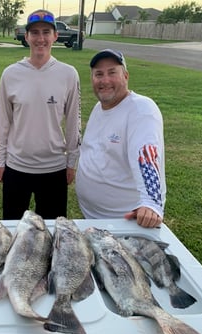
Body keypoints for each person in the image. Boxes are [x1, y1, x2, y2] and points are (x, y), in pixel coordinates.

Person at [0, 9, 81, 220]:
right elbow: (3, 120)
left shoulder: (68, 74)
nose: (40, 38)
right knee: (13, 229)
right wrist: (0, 160)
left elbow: (73, 121)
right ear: (27, 37)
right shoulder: (11, 74)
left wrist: (72, 162)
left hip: (54, 168)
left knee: (52, 233)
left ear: (55, 36)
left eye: (46, 32)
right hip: (17, 166)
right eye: (34, 33)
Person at [75, 49, 166, 228]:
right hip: (93, 219)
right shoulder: (99, 108)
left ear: (125, 76)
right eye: (98, 74)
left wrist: (151, 202)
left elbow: (147, 156)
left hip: (123, 223)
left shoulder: (141, 109)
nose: (105, 80)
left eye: (112, 73)